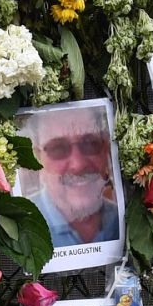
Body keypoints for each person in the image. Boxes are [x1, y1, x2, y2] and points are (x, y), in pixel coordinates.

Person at [24, 106, 121, 249]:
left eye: (90, 143)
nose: (78, 165)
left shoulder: (124, 218)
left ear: (105, 149)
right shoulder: (21, 223)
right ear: (37, 159)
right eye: (58, 148)